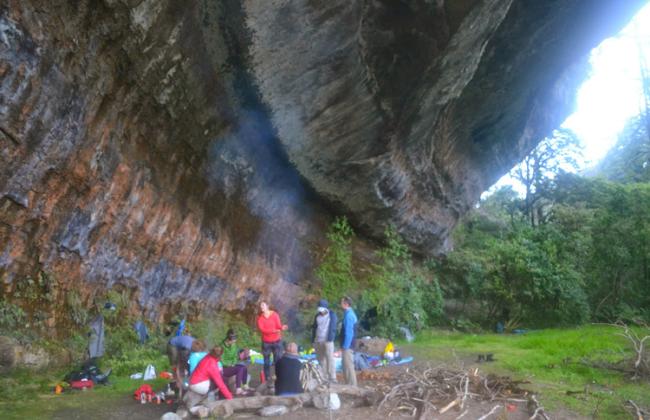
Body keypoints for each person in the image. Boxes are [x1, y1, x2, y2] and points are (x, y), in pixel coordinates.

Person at [256, 301, 287, 381]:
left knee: (278, 360)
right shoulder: (260, 318)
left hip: (277, 341)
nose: (261, 307)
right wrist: (273, 331)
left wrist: (282, 328)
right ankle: (267, 378)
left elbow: (278, 326)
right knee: (266, 362)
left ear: (267, 306)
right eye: (260, 306)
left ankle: (279, 376)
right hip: (266, 342)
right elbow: (263, 330)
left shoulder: (275, 315)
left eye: (263, 305)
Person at [311, 298, 338, 382]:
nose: (321, 312)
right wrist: (313, 340)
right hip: (318, 340)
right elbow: (314, 328)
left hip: (328, 340)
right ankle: (323, 376)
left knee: (330, 358)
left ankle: (332, 377)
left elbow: (333, 327)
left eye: (322, 310)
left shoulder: (331, 315)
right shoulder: (317, 316)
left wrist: (331, 338)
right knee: (321, 359)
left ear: (326, 309)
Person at [221, 329, 249, 395]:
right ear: (228, 339)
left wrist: (233, 363)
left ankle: (245, 385)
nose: (234, 342)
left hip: (231, 365)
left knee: (244, 367)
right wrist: (228, 364)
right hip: (224, 368)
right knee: (240, 369)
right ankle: (238, 388)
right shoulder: (221, 346)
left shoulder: (233, 345)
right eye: (233, 341)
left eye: (234, 341)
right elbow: (221, 360)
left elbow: (234, 357)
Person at [340, 296, 358, 386]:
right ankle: (349, 385)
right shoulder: (348, 314)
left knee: (348, 366)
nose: (340, 304)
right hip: (349, 345)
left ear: (346, 304)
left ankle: (352, 386)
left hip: (348, 346)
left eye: (341, 303)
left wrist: (345, 346)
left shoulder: (349, 315)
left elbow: (349, 333)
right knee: (346, 366)